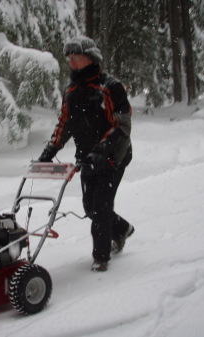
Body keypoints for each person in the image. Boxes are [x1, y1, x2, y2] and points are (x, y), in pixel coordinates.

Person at [37, 36, 134, 272]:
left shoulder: (111, 87)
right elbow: (65, 124)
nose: (71, 62)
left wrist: (102, 151)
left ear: (91, 58)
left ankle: (101, 258)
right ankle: (122, 229)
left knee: (100, 206)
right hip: (87, 158)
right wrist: (51, 149)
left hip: (113, 156)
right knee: (90, 207)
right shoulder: (71, 90)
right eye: (69, 58)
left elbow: (122, 125)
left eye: (76, 57)